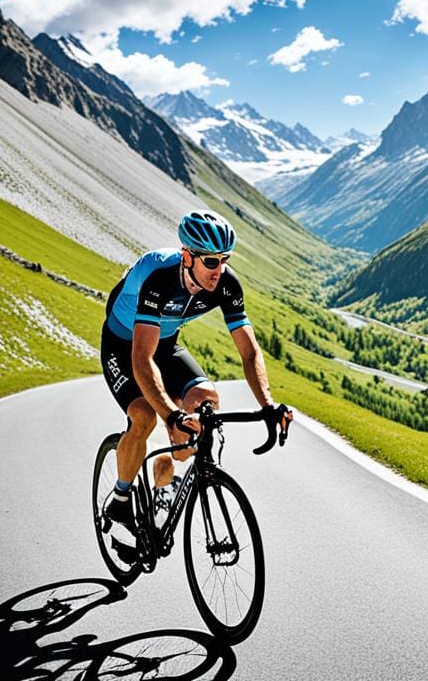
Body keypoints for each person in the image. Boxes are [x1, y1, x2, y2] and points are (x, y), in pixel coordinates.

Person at [100, 209, 288, 536]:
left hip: (166, 343)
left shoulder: (226, 285)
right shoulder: (156, 277)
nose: (219, 270)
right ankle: (120, 496)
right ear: (187, 256)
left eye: (225, 259)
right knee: (145, 416)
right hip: (123, 346)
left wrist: (268, 405)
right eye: (211, 262)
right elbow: (142, 359)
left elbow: (249, 351)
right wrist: (171, 414)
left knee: (205, 402)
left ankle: (166, 483)